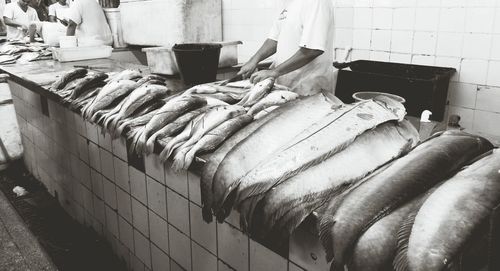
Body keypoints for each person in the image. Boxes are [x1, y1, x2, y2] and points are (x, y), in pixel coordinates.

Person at [238, 0, 335, 96]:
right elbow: (274, 39)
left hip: (309, 88)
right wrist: (253, 61)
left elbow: (313, 49)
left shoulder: (317, 2)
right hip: (284, 85)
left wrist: (274, 72)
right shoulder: (287, 3)